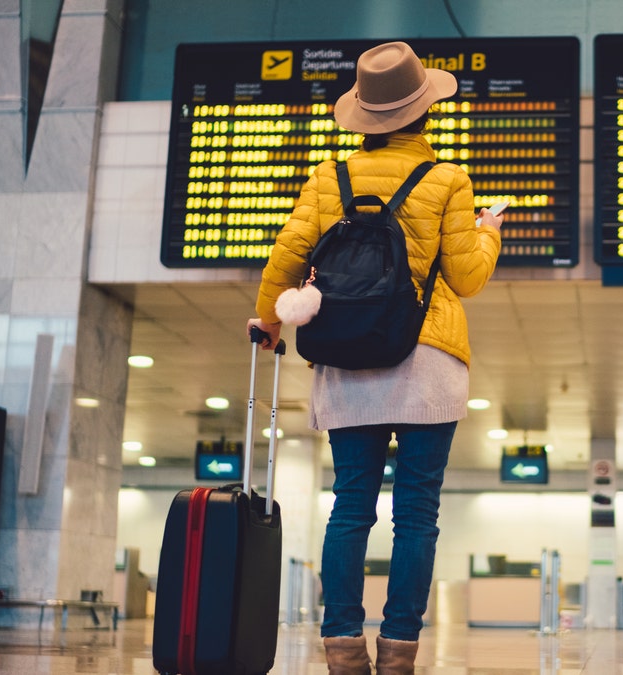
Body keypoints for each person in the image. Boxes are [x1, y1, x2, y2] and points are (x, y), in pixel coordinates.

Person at [248, 41, 502, 675]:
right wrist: (488, 230)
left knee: (352, 505)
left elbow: (286, 255)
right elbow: (466, 278)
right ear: (426, 112)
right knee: (418, 510)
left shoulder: (327, 178)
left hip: (347, 353)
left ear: (363, 116)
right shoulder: (446, 179)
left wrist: (272, 325)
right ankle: (398, 652)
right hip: (427, 358)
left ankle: (341, 646)